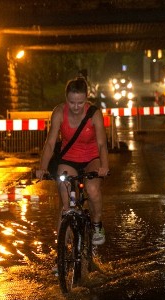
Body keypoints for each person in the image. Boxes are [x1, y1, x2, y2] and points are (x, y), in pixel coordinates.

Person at [35, 77, 110, 245]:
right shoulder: (59, 112)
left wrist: (104, 166)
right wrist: (42, 168)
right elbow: (50, 143)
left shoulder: (94, 114)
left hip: (92, 158)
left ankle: (97, 224)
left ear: (86, 98)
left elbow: (101, 144)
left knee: (92, 189)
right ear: (66, 98)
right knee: (65, 193)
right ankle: (61, 251)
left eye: (80, 103)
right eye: (72, 102)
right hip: (69, 159)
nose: (76, 107)